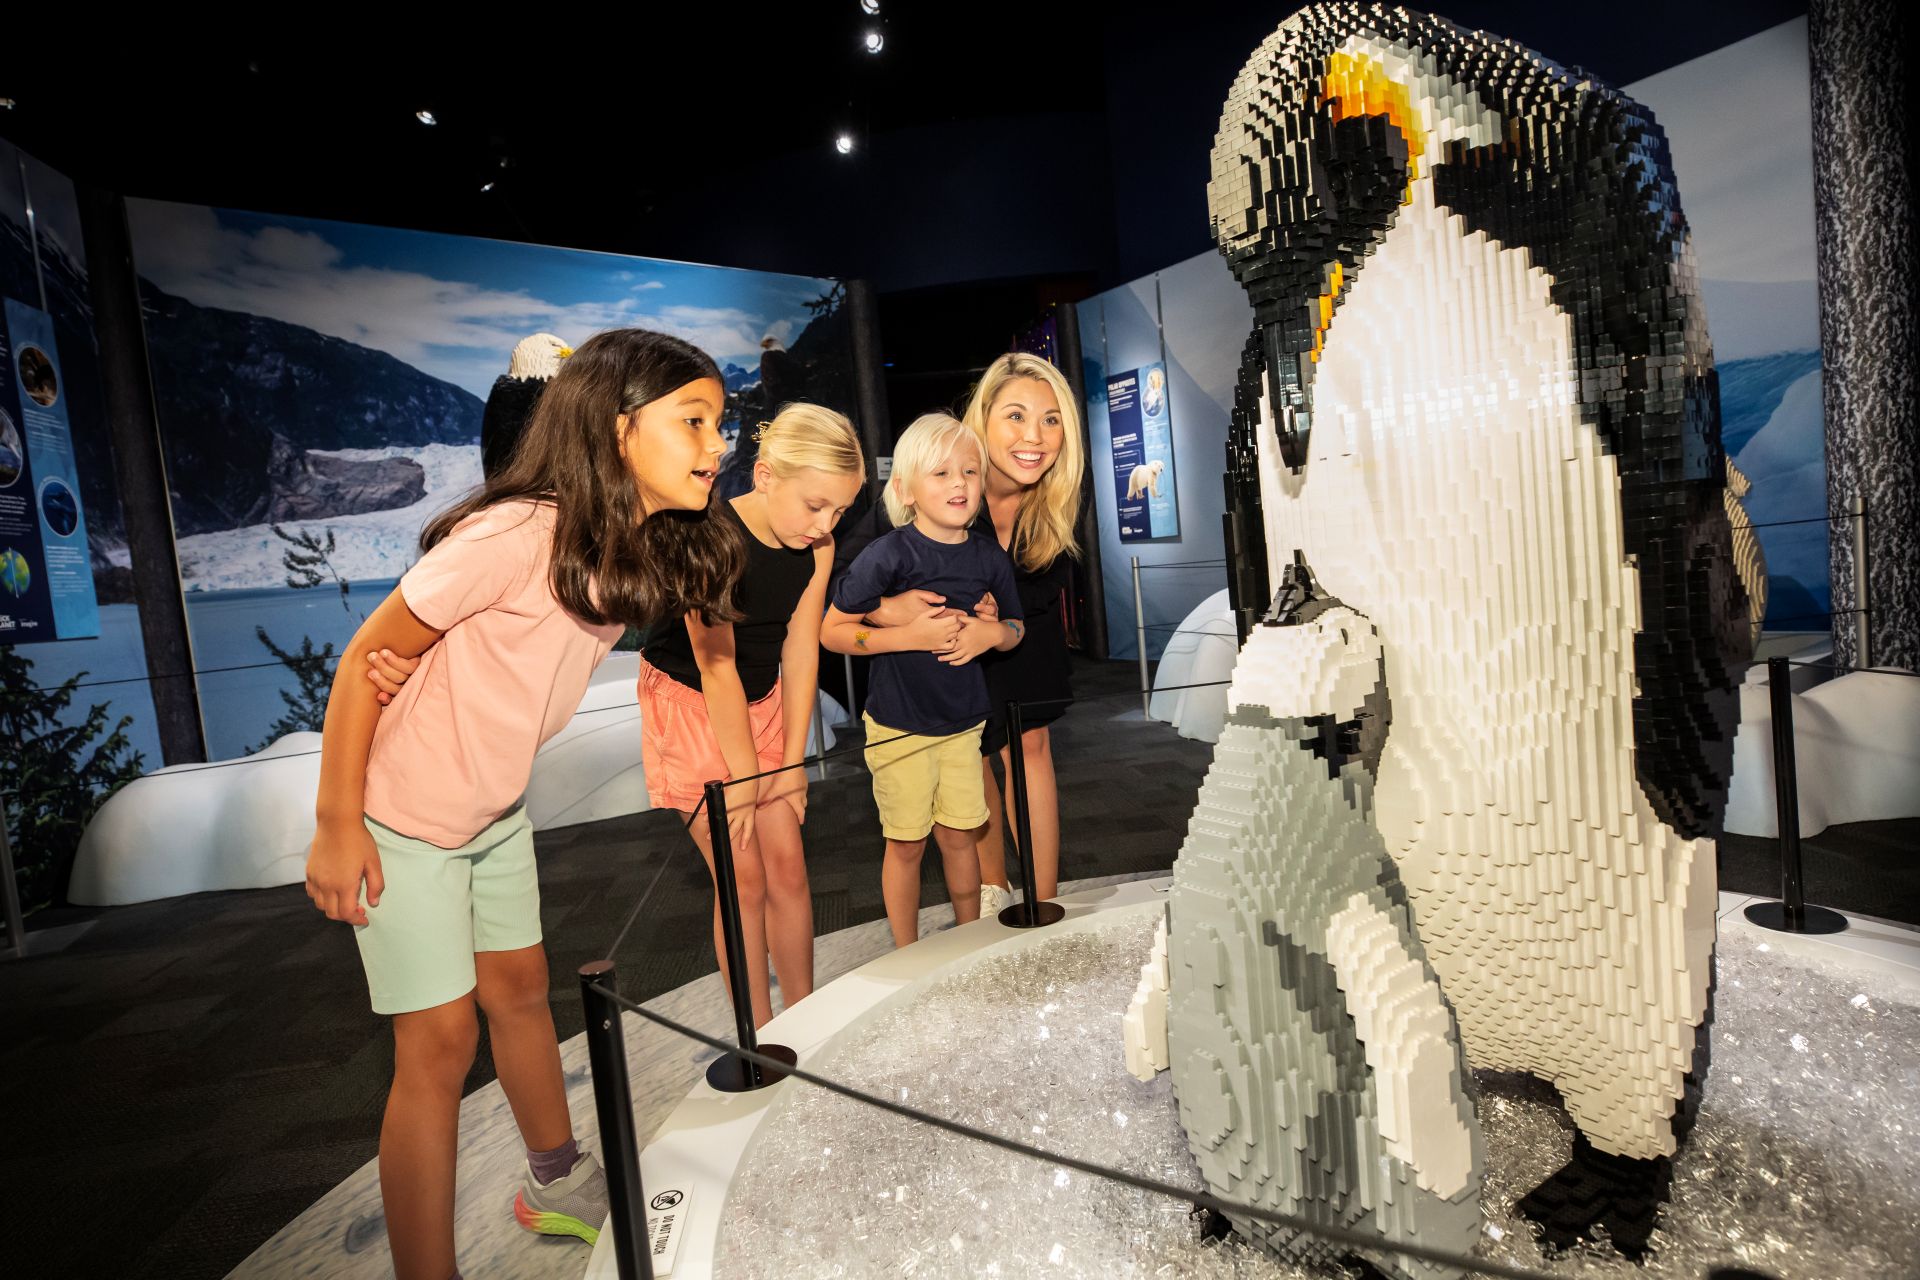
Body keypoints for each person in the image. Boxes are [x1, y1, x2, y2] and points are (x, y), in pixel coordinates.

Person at [302, 329, 744, 1280]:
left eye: (722, 421)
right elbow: (359, 666)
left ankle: (552, 1181)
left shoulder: (633, 538)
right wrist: (339, 824)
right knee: (441, 1040)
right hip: (402, 819)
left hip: (491, 811)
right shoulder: (509, 535)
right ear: (620, 431)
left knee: (519, 993)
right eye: (694, 420)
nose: (718, 444)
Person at [639, 403, 864, 1027]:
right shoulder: (705, 537)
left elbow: (799, 645)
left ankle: (804, 1020)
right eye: (815, 505)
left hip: (760, 702)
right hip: (691, 704)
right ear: (765, 477)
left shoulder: (816, 547)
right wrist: (744, 778)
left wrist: (792, 764)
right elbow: (715, 666)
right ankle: (758, 1038)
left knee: (787, 864)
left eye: (840, 511)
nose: (825, 525)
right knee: (744, 880)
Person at [822, 413, 1025, 948]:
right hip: (898, 726)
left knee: (961, 838)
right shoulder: (886, 555)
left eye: (969, 472)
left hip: (963, 725)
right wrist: (906, 634)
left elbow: (1015, 628)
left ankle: (967, 942)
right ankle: (905, 954)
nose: (958, 484)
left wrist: (991, 633)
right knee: (906, 843)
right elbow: (834, 631)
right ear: (906, 490)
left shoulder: (988, 557)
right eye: (940, 473)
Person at [962, 353, 1085, 913]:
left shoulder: (1056, 498)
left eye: (1052, 418)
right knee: (969, 747)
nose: (1035, 436)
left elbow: (1049, 584)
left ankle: (1043, 902)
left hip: (1028, 633)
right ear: (982, 419)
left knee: (1030, 742)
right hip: (948, 639)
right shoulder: (947, 480)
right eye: (1015, 416)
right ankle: (993, 887)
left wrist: (1003, 609)